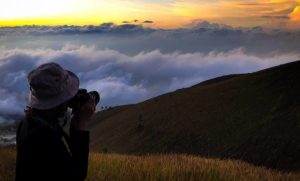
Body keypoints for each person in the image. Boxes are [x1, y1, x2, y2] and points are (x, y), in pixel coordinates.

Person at [15, 63, 96, 181]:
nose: (69, 100)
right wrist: (81, 124)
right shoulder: (42, 137)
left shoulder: (29, 121)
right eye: (66, 96)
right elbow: (76, 175)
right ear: (57, 103)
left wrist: (74, 124)